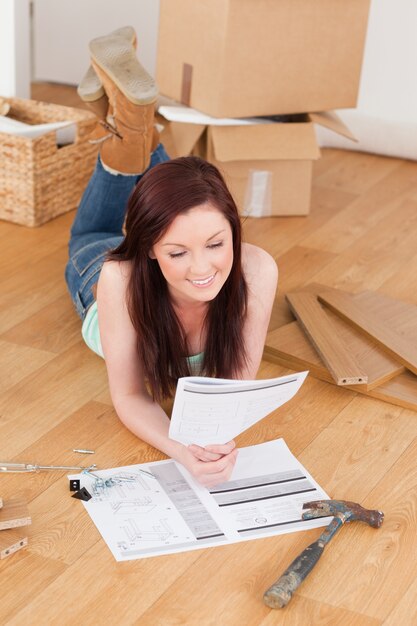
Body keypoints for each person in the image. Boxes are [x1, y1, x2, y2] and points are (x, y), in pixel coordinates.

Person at [65, 29, 278, 487]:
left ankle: (131, 122)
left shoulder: (256, 268)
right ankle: (133, 125)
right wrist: (180, 450)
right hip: (98, 269)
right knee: (93, 233)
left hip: (147, 239)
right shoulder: (119, 275)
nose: (202, 269)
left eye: (217, 244)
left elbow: (231, 392)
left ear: (234, 231)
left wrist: (214, 441)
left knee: (181, 188)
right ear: (151, 250)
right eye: (178, 252)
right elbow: (128, 395)